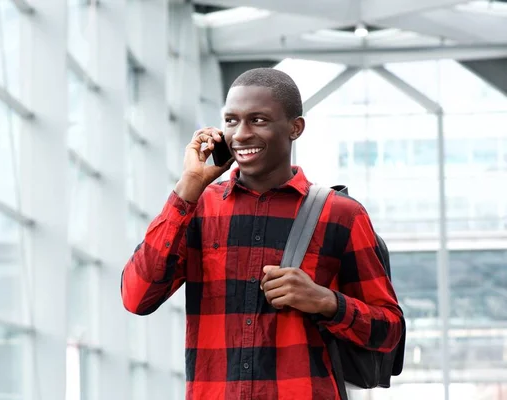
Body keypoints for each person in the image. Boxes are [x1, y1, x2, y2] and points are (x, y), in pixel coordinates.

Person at [121, 68, 403, 400]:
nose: (239, 134)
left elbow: (390, 331)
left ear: (295, 128)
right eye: (231, 121)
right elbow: (137, 297)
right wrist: (188, 187)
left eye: (258, 120)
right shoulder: (196, 209)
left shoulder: (341, 214)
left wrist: (326, 302)